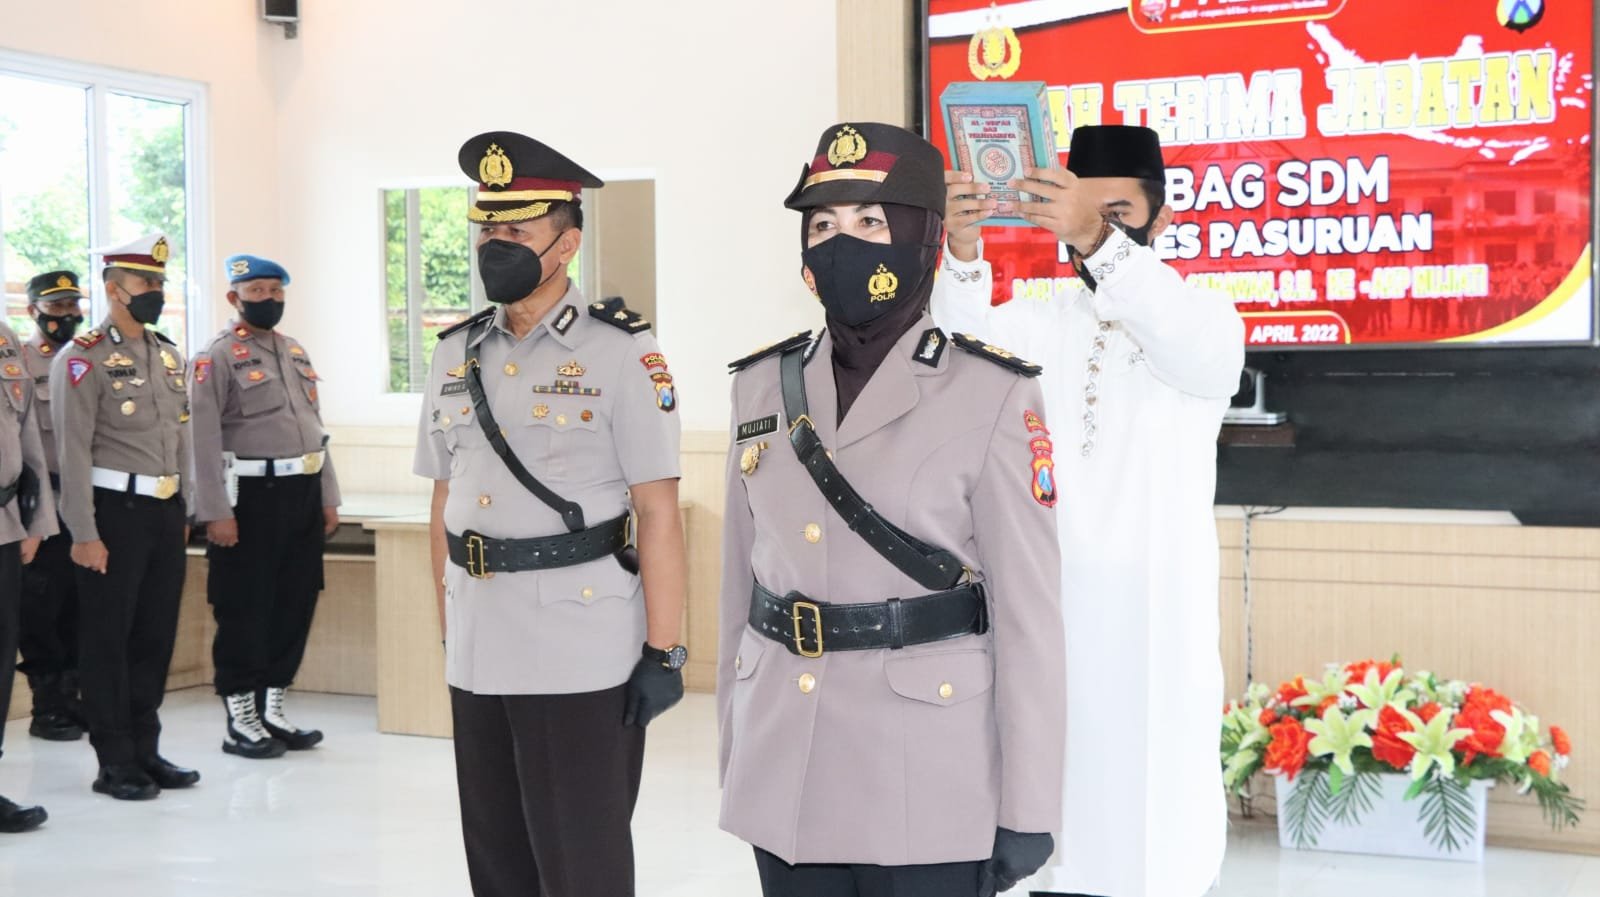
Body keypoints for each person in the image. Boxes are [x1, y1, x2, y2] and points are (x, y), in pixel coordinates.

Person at [717, 121, 1066, 897]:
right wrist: (735, 752)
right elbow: (740, 592)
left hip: (927, 780)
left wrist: (1030, 803)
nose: (842, 244)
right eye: (822, 226)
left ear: (923, 239)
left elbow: (1030, 618)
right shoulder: (760, 387)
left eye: (870, 222)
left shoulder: (993, 393)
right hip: (787, 768)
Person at [930, 124, 1245, 897]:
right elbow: (955, 362)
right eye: (1081, 211)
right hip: (1045, 631)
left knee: (1148, 842)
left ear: (1161, 219)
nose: (1094, 229)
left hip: (1151, 642)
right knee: (1049, 834)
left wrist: (1097, 240)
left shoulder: (1204, 319)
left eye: (1117, 214)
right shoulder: (1035, 324)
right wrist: (963, 251)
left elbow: (1190, 347)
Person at [413, 131, 689, 897]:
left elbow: (657, 512)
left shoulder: (622, 350)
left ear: (566, 244)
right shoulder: (454, 352)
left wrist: (664, 649)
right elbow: (442, 500)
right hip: (478, 639)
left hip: (580, 642)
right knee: (496, 857)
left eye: (517, 229)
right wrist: (448, 627)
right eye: (487, 228)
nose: (495, 244)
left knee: (580, 862)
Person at [52, 233, 200, 801]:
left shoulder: (167, 353)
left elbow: (180, 438)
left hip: (163, 510)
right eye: (145, 282)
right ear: (114, 290)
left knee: (154, 635)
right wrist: (83, 533)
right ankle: (114, 759)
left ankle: (145, 748)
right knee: (107, 639)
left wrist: (184, 506)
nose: (156, 291)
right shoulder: (82, 358)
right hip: (113, 513)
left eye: (160, 282)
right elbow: (71, 452)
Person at [189, 254, 339, 759]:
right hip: (249, 498)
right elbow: (201, 440)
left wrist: (328, 496)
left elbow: (316, 429)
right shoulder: (216, 356)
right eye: (257, 292)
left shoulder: (292, 350)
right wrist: (214, 511)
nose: (269, 300)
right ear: (234, 297)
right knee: (245, 608)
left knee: (295, 603)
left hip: (302, 492)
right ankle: (241, 717)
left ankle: (272, 708)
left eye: (276, 291)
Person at [17, 271, 87, 742]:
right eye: (56, 307)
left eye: (72, 306)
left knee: (83, 606)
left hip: (88, 501)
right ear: (34, 311)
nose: (67, 316)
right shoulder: (20, 363)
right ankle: (47, 707)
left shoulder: (89, 360)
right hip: (43, 502)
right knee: (42, 608)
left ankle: (73, 698)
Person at [0, 315, 59, 831]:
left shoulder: (5, 337)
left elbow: (29, 435)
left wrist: (35, 521)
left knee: (1, 661)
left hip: (4, 524)